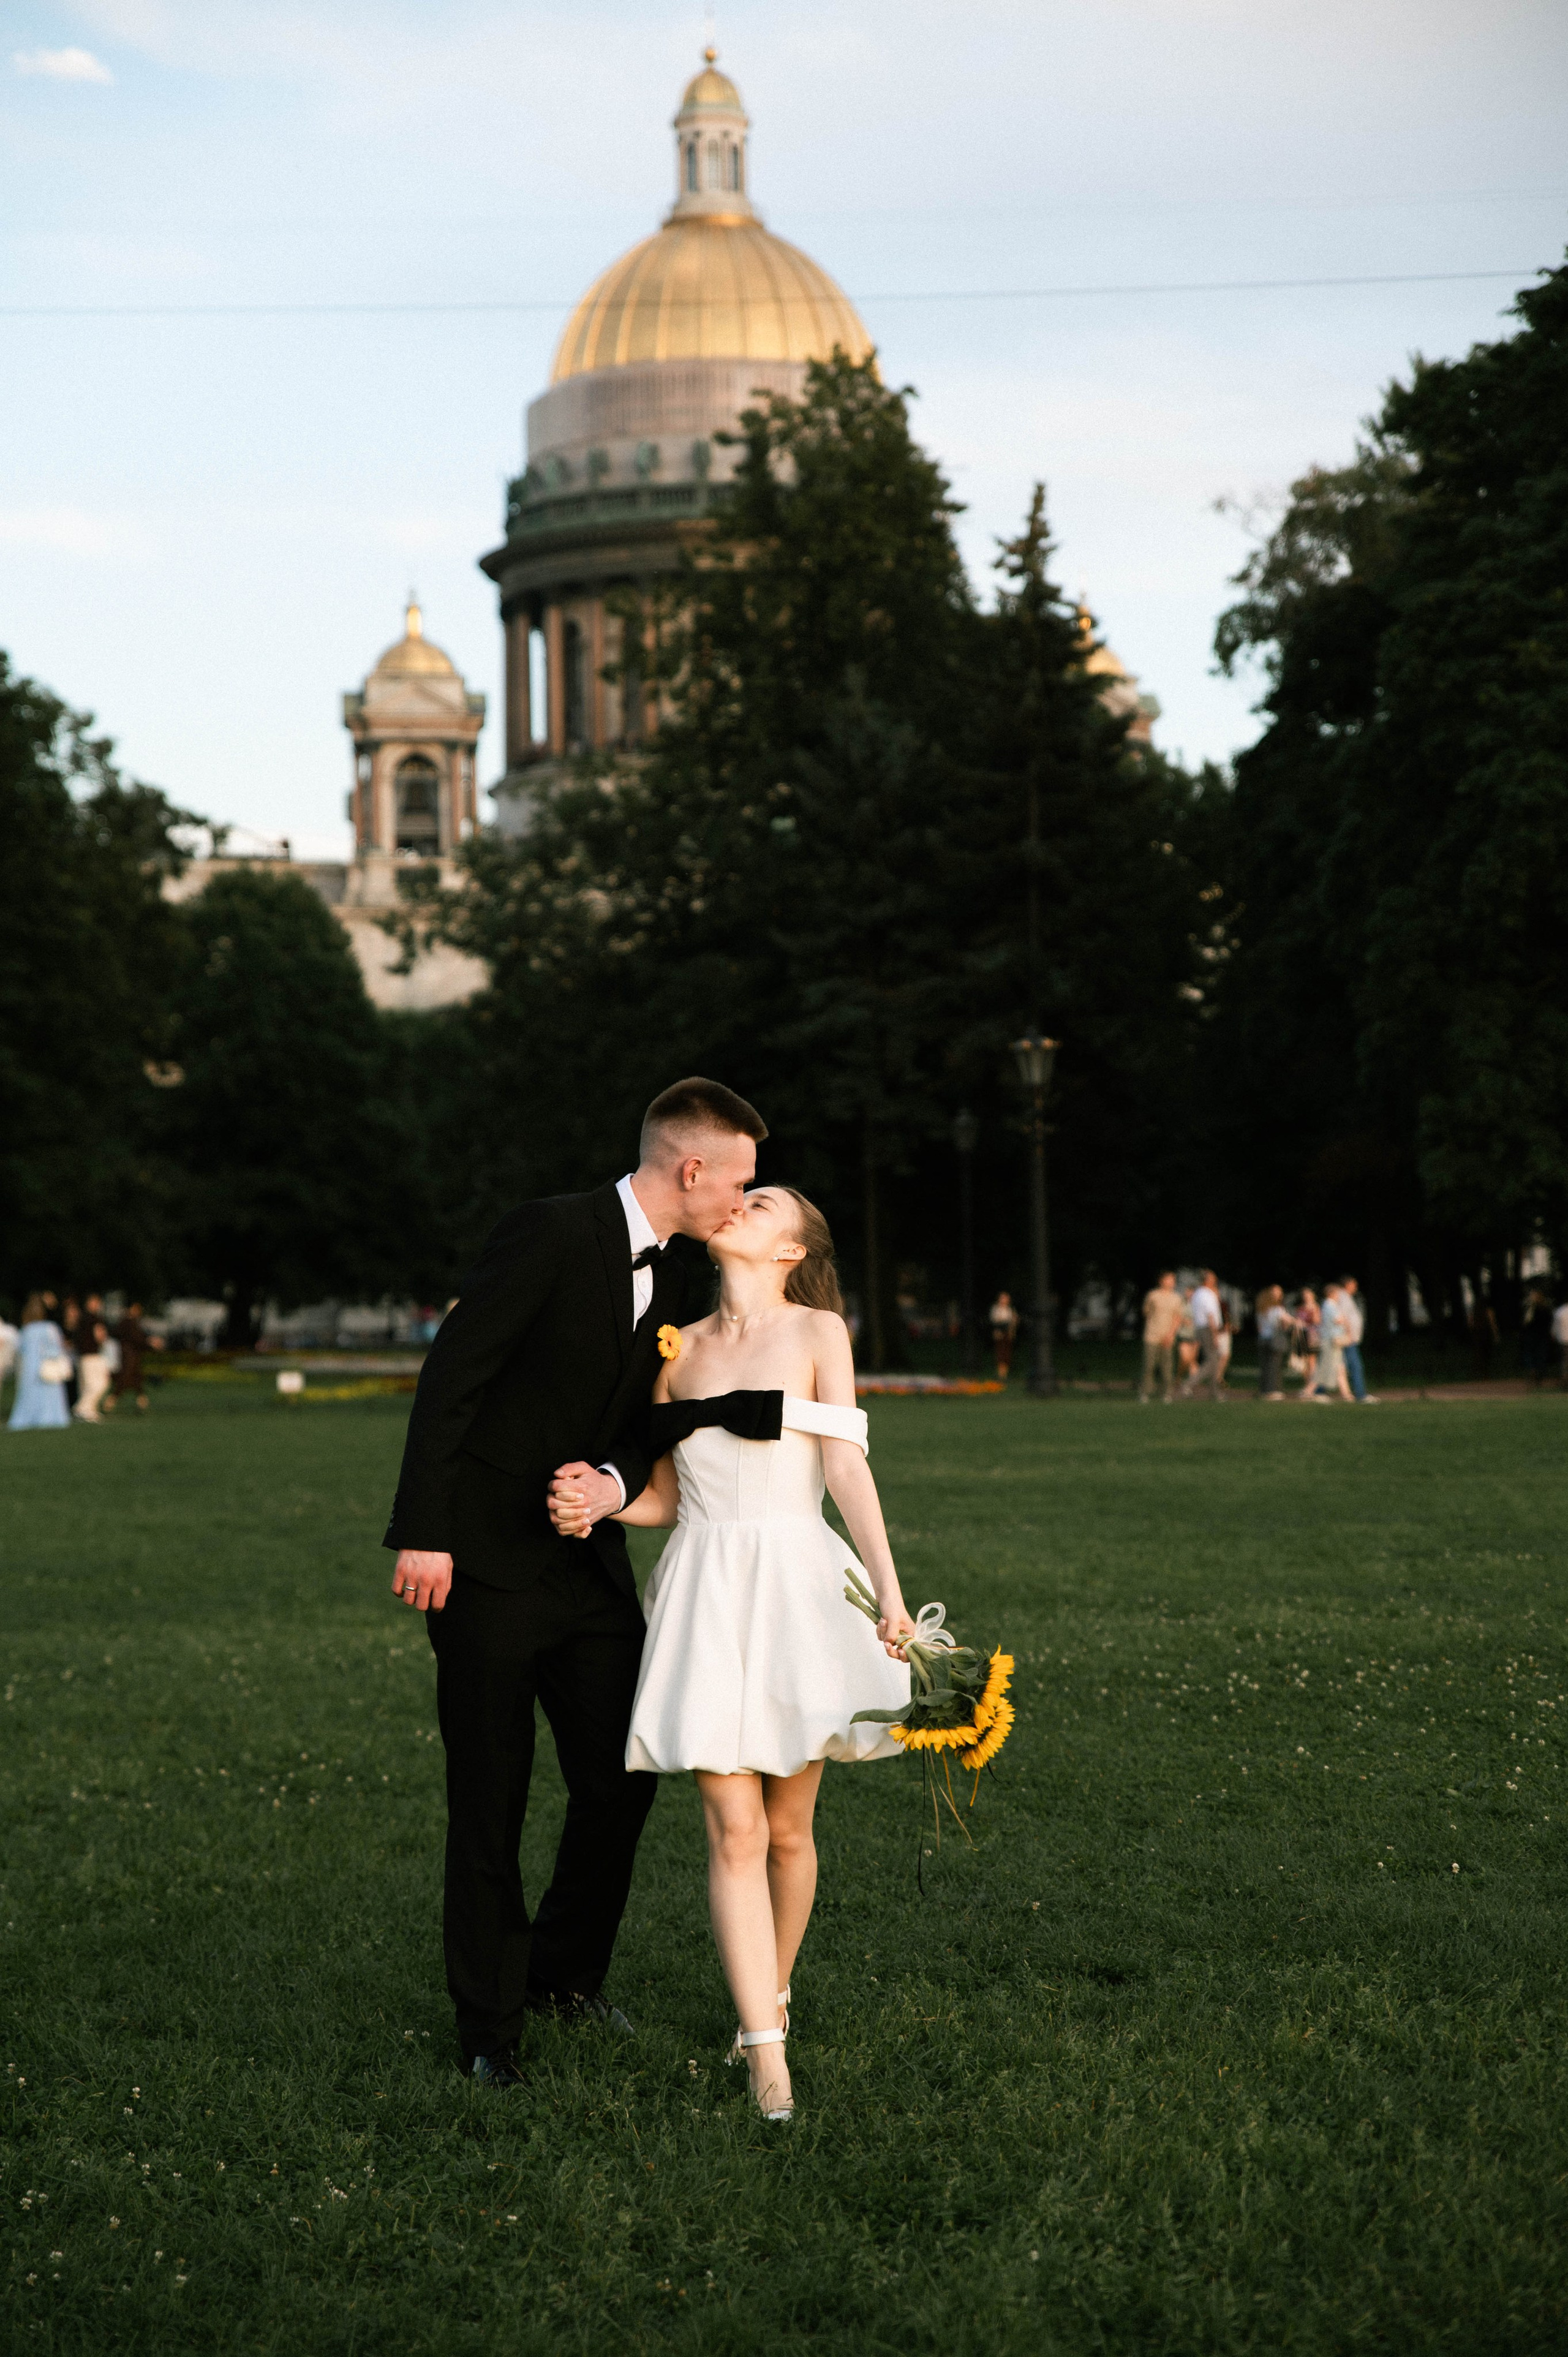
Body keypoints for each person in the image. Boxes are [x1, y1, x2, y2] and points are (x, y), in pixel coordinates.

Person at [385, 1077, 767, 2089]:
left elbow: (640, 1415)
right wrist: (424, 1533)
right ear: (693, 1170)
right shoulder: (549, 1233)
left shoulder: (682, 1277)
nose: (743, 1197)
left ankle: (565, 1974)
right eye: (740, 1181)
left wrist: (610, 1478)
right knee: (491, 1797)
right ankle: (489, 2028)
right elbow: (452, 1374)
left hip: (589, 1569)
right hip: (482, 1564)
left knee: (623, 1775)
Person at [553, 1185, 915, 2125]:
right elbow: (669, 1497)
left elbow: (845, 1469)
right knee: (733, 1829)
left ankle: (772, 1998)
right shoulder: (676, 1350)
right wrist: (601, 1500)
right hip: (705, 1592)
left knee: (790, 1832)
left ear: (791, 1251)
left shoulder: (817, 1334)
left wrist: (890, 1593)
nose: (736, 1205)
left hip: (798, 1585)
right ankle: (768, 2059)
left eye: (760, 1204)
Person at [6, 1295, 72, 1431]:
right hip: (47, 1366)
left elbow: (20, 1349)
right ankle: (50, 1417)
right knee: (50, 1393)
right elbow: (57, 1349)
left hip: (30, 1369)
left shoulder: (27, 1330)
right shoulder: (50, 1328)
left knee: (30, 1394)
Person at [1139, 1272, 1183, 1403]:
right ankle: (1145, 1393)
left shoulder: (1177, 1298)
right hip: (1152, 1336)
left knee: (1167, 1367)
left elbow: (1178, 1318)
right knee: (1149, 1365)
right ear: (1162, 1281)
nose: (1172, 1282)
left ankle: (1167, 1394)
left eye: (1173, 1280)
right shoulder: (1153, 1296)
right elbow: (1146, 1313)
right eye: (1169, 1279)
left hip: (1168, 1337)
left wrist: (1170, 1335)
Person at [107, 1304, 160, 1412]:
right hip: (129, 1356)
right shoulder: (127, 1323)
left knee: (136, 1378)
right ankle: (112, 1400)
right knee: (127, 1378)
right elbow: (137, 1338)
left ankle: (141, 1400)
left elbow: (140, 1337)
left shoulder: (132, 1322)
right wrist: (149, 1343)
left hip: (133, 1356)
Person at [72, 1295, 113, 1424]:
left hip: (83, 1356)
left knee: (87, 1385)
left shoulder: (81, 1319)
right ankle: (82, 1407)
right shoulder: (94, 1319)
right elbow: (100, 1336)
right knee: (99, 1383)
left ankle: (89, 1409)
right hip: (93, 1355)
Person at [1338, 1276, 1378, 1405]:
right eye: (1354, 1284)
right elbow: (1343, 1318)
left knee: (1339, 1366)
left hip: (1348, 1338)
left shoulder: (1346, 1298)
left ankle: (1318, 1391)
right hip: (1348, 1339)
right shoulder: (1343, 1298)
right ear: (1348, 1284)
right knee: (1356, 1366)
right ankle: (1361, 1394)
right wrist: (1349, 1335)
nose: (1356, 1287)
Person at [1188, 1270, 1224, 1401]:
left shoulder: (1198, 1293)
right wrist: (1215, 1335)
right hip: (1208, 1329)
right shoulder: (1207, 1294)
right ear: (1208, 1280)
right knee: (1212, 1361)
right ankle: (1189, 1384)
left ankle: (1214, 1393)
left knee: (1214, 1362)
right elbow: (1211, 1315)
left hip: (1200, 1328)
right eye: (1213, 1278)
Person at [1255, 1286, 1289, 1400]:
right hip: (1274, 1340)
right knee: (1274, 1366)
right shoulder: (1277, 1309)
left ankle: (1264, 1390)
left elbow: (1259, 1327)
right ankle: (1273, 1391)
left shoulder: (1262, 1309)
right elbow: (1284, 1323)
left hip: (1263, 1339)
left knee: (1265, 1366)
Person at [1521, 1287, 1556, 1387]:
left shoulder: (1533, 1308)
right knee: (1539, 1355)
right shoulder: (1544, 1308)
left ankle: (1534, 1372)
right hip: (1540, 1335)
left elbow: (1526, 1322)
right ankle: (1537, 1374)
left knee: (1533, 1354)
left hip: (1535, 1335)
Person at [989, 1290, 1019, 1382]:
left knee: (1007, 1353)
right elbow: (995, 1321)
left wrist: (1014, 1323)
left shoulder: (1010, 1310)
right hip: (1000, 1333)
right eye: (1003, 1298)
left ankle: (1004, 1375)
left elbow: (1014, 1322)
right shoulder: (996, 1309)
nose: (1005, 1300)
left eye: (1006, 1298)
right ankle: (1000, 1375)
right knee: (1000, 1352)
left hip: (1008, 1333)